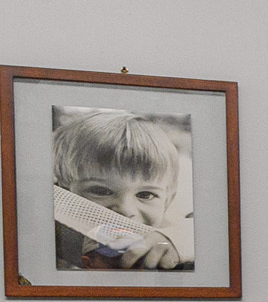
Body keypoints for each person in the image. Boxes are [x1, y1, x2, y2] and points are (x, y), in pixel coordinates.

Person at [52, 108, 191, 271]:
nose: (125, 210)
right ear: (63, 193)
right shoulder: (51, 243)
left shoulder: (171, 243)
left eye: (145, 194)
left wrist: (179, 240)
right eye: (101, 191)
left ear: (168, 201)